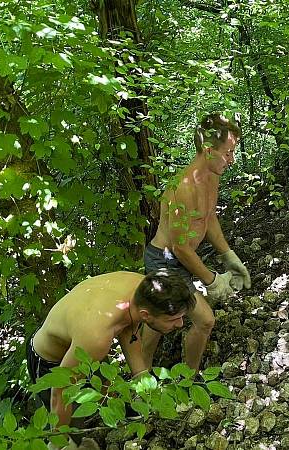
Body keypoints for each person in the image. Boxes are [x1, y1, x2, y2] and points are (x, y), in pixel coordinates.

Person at [142, 112, 251, 370]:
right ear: (207, 149)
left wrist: (228, 256)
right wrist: (212, 280)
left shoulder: (212, 176)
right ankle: (145, 376)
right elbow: (179, 248)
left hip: (182, 260)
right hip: (165, 261)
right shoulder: (184, 188)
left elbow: (208, 217)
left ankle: (182, 378)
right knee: (196, 321)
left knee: (162, 320)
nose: (232, 160)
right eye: (227, 153)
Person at [27, 270, 195, 431]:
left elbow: (128, 325)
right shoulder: (96, 337)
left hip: (82, 345)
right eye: (173, 319)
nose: (180, 324)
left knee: (109, 394)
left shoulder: (144, 288)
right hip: (49, 360)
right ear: (146, 315)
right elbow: (60, 390)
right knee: (72, 429)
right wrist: (58, 441)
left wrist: (142, 378)